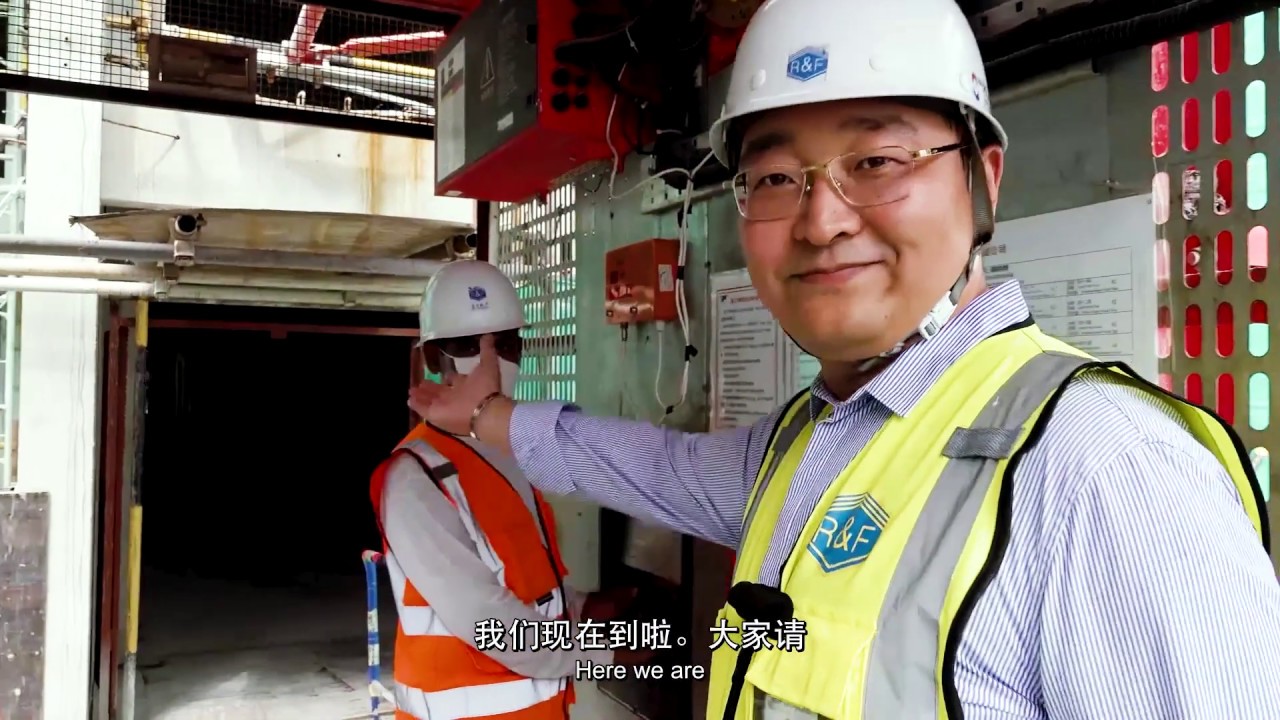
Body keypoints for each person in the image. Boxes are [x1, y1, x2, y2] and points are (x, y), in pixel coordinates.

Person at [407, 0, 1280, 718]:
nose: (821, 221)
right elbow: (658, 467)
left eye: (878, 160)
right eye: (775, 178)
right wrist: (484, 415)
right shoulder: (805, 446)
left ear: (984, 181)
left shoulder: (1104, 472)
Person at [369, 260, 651, 720]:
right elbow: (493, 626)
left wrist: (585, 606)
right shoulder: (415, 478)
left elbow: (527, 585)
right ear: (434, 358)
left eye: (504, 344)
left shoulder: (506, 451)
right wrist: (612, 654)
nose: (491, 363)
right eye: (468, 345)